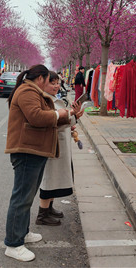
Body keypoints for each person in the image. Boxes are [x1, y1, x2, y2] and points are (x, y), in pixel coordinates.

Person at [4, 64, 80, 262]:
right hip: (26, 150)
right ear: (40, 79)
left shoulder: (33, 91)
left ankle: (22, 233)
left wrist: (69, 115)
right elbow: (37, 117)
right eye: (49, 80)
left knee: (27, 197)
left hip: (34, 150)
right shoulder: (27, 91)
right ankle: (13, 243)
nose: (51, 84)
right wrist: (60, 114)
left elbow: (48, 120)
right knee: (21, 198)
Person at [37, 71, 84, 226]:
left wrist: (75, 116)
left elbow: (63, 120)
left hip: (60, 144)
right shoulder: (43, 100)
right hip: (52, 145)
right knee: (49, 178)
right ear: (43, 82)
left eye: (58, 83)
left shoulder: (54, 98)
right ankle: (42, 214)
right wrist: (71, 114)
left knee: (56, 178)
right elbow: (51, 120)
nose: (56, 86)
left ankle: (49, 208)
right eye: (52, 83)